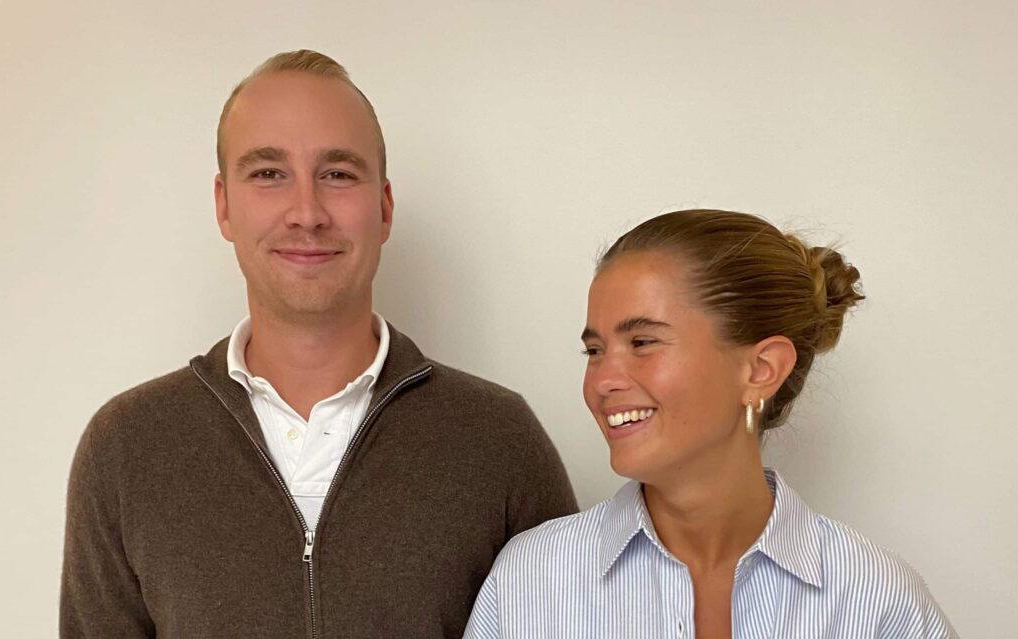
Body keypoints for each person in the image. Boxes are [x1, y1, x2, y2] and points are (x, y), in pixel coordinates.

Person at [60, 50, 577, 638]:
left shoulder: (499, 439)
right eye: (268, 173)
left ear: (383, 208)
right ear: (224, 205)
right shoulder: (127, 447)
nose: (306, 213)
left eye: (337, 174)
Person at [464, 209, 956, 638]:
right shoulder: (531, 582)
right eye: (594, 351)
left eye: (642, 343)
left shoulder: (876, 600)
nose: (603, 381)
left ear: (760, 370)